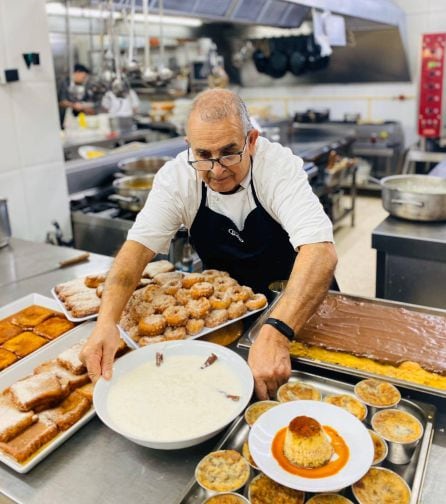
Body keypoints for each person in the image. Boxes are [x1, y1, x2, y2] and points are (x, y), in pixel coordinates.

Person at [80, 89, 337, 399]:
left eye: (230, 153)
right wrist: (106, 322)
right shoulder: (177, 177)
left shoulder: (276, 167)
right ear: (190, 148)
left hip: (301, 304)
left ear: (252, 140)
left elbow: (320, 253)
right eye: (203, 156)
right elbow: (136, 250)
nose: (217, 170)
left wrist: (278, 330)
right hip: (233, 316)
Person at [58, 63, 96, 129]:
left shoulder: (85, 86)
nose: (84, 79)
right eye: (83, 77)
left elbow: (89, 102)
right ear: (77, 73)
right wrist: (74, 105)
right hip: (65, 120)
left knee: (82, 129)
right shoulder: (65, 83)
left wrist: (86, 107)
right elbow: (61, 102)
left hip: (81, 118)